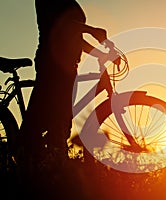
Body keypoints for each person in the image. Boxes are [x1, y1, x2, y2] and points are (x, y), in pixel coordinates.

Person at [18, 0, 112, 196]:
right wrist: (91, 29)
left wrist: (98, 54)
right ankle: (32, 172)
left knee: (61, 123)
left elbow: (75, 37)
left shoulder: (70, 2)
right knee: (45, 122)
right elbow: (61, 25)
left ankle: (53, 172)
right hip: (52, 63)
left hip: (68, 65)